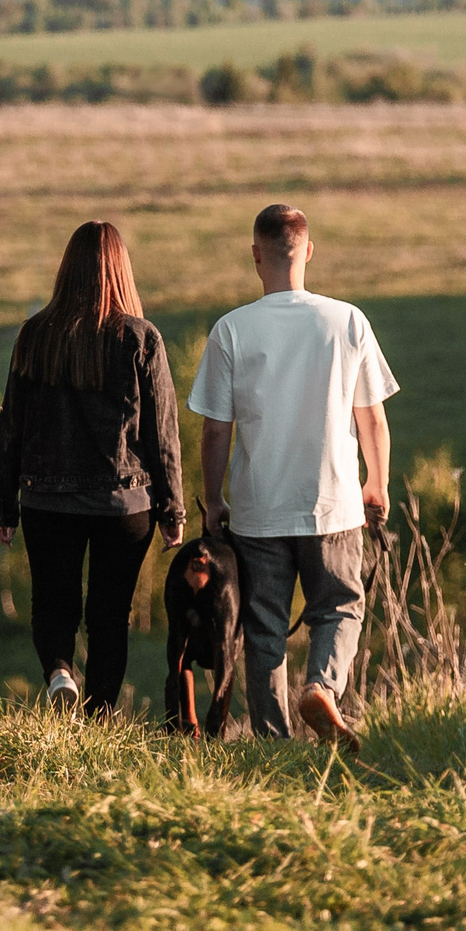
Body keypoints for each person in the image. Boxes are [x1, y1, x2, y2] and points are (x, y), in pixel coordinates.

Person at [190, 203, 396, 748]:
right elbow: (371, 415)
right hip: (333, 503)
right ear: (308, 250)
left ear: (256, 255)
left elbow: (215, 430)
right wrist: (376, 482)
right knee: (341, 605)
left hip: (259, 509)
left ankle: (274, 743)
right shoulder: (347, 320)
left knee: (264, 626)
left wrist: (213, 501)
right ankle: (323, 686)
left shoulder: (231, 330)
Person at [0, 221, 185, 712]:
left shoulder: (35, 335)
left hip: (46, 499)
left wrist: (3, 506)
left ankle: (59, 674)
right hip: (125, 503)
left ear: (66, 270)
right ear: (122, 271)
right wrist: (172, 508)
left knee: (52, 605)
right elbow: (162, 433)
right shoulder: (142, 338)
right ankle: (97, 721)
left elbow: (11, 423)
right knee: (109, 616)